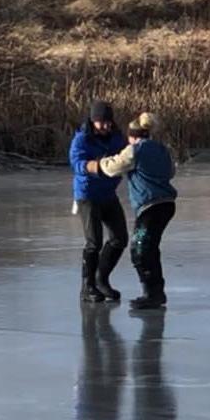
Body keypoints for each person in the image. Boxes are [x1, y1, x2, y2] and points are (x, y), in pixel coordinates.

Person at [97, 112, 177, 310]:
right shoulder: (162, 149)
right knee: (150, 248)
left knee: (140, 250)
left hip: (150, 207)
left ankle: (152, 294)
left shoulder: (135, 150)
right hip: (166, 205)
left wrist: (98, 163)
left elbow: (112, 168)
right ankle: (156, 291)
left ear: (132, 136)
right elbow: (171, 172)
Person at [69, 100, 128, 303]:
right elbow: (76, 163)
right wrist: (96, 167)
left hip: (109, 194)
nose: (105, 126)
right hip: (88, 195)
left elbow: (126, 156)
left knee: (120, 238)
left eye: (108, 122)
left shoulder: (116, 137)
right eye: (101, 122)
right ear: (92, 121)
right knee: (94, 242)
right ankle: (87, 287)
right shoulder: (82, 139)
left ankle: (101, 279)